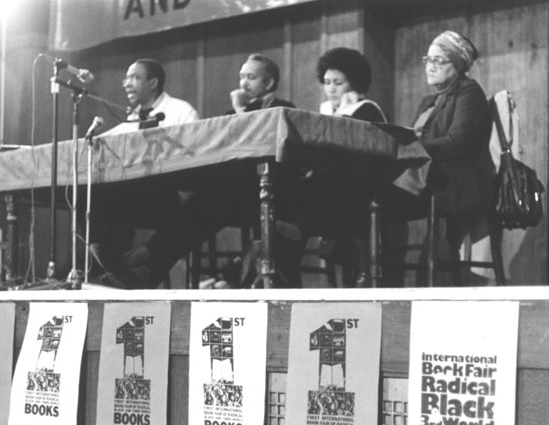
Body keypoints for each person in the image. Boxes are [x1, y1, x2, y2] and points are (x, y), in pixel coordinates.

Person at [100, 54, 297, 288]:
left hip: (271, 194)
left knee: (203, 207)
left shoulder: (282, 108)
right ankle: (145, 271)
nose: (243, 83)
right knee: (200, 208)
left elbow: (258, 138)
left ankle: (141, 261)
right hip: (234, 194)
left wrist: (238, 109)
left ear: (269, 83)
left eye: (251, 77)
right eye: (242, 77)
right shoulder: (232, 114)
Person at [379, 30, 494, 283]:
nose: (430, 66)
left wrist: (411, 148)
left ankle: (377, 277)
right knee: (367, 193)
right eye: (428, 59)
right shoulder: (429, 101)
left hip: (453, 184)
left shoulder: (468, 91)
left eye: (439, 60)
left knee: (375, 197)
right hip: (427, 179)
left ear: (458, 64)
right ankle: (374, 275)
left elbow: (459, 142)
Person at [87, 59, 199, 280]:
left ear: (153, 82)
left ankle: (117, 268)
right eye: (126, 78)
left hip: (172, 198)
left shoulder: (181, 111)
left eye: (135, 78)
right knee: (93, 194)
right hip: (139, 196)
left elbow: (195, 155)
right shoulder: (132, 118)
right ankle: (110, 264)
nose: (127, 84)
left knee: (118, 195)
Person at [286, 47, 387, 287]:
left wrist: (342, 113)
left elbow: (361, 155)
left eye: (338, 83)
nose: (330, 88)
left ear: (353, 83)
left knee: (322, 183)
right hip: (332, 188)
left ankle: (300, 227)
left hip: (361, 186)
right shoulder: (325, 111)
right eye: (327, 82)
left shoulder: (367, 109)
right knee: (296, 186)